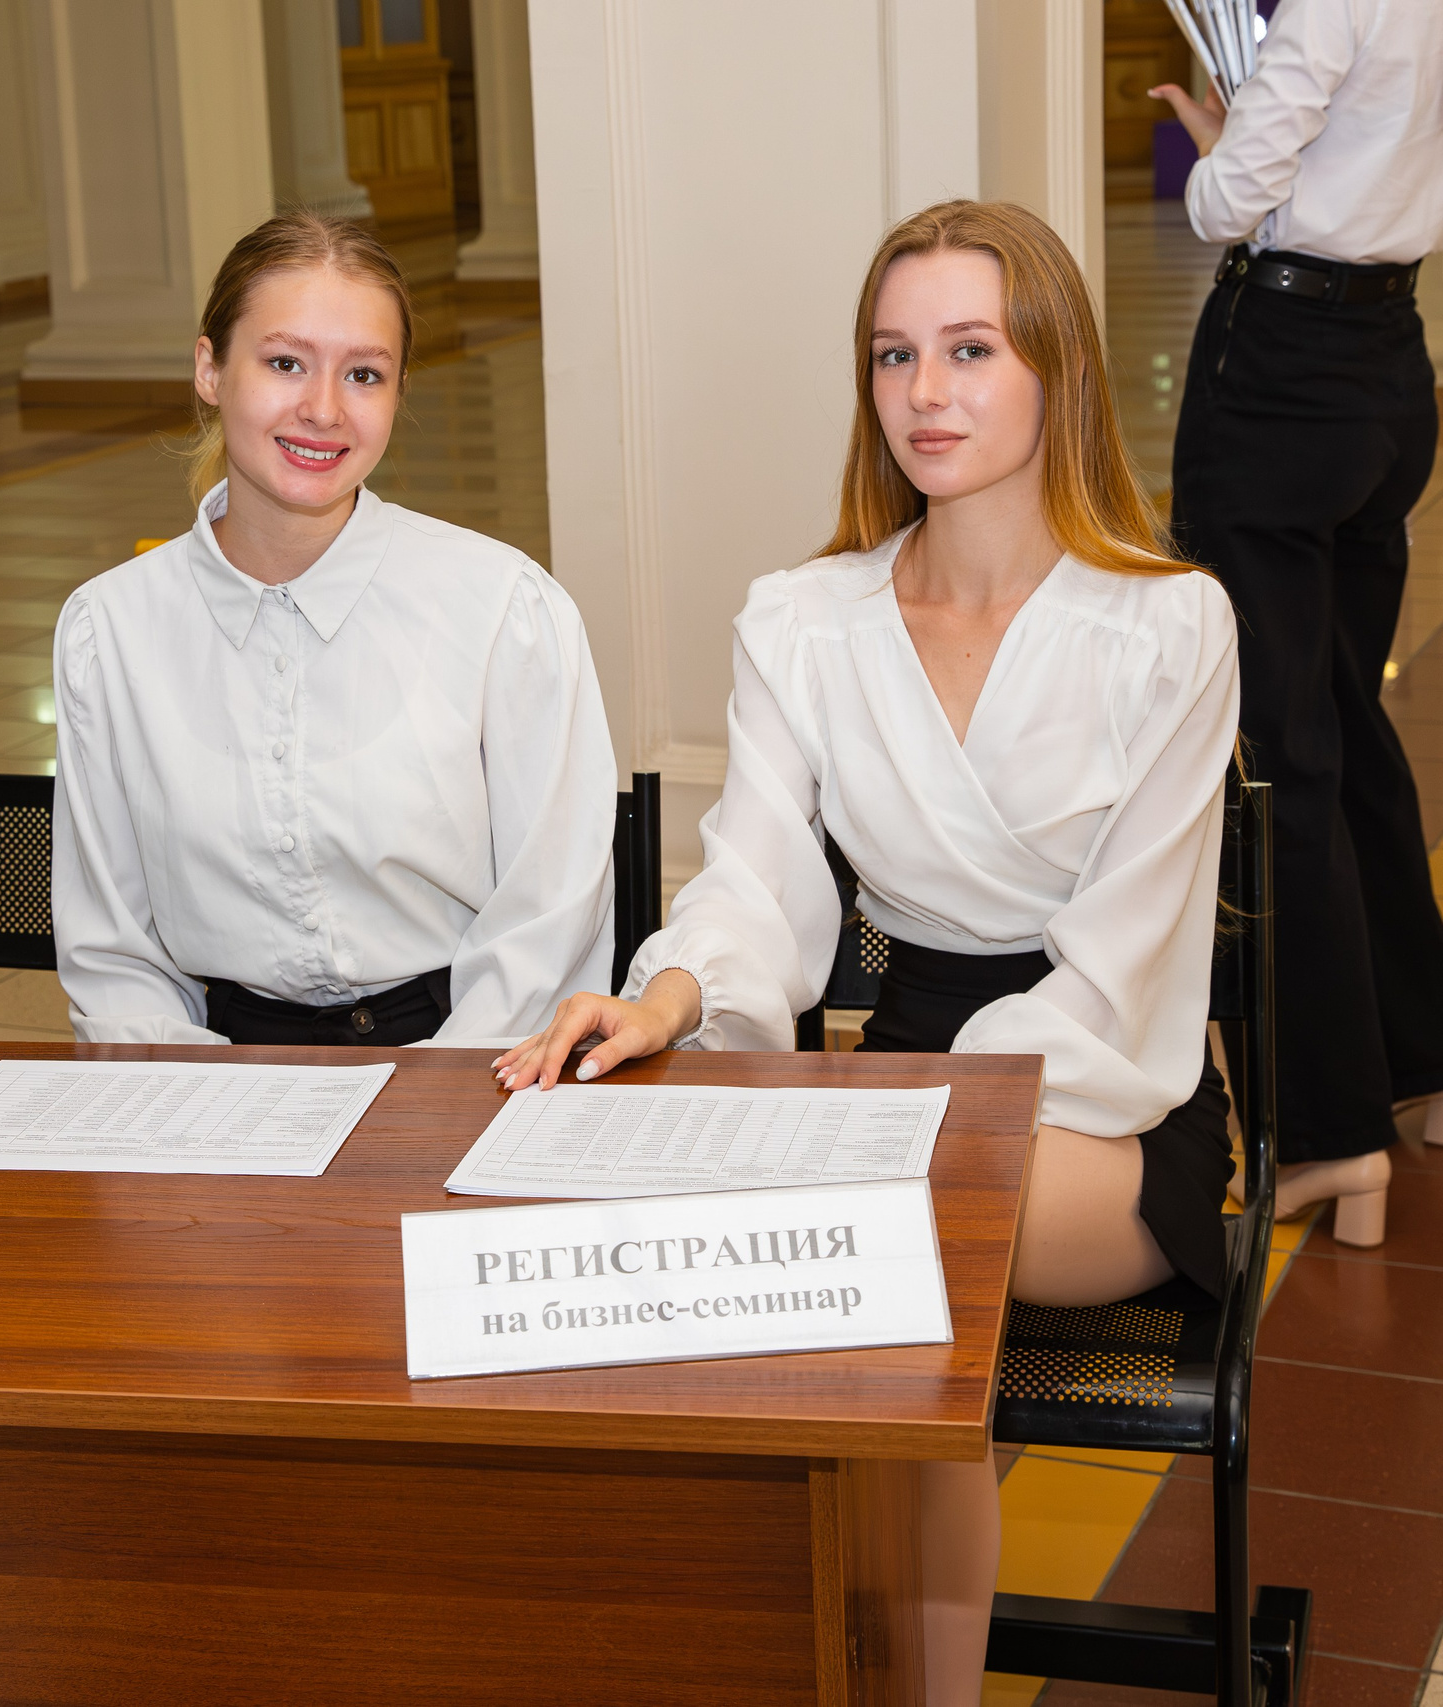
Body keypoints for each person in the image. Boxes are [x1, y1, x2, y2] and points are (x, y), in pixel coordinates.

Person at [495, 200, 1239, 1707]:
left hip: (1108, 1102)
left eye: (973, 349)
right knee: (736, 1194)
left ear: (1058, 371)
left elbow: (1122, 966)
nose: (927, 391)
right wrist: (669, 997)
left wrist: (909, 1118)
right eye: (897, 353)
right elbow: (757, 878)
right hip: (898, 1070)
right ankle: (779, 1645)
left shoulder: (1167, 624)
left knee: (890, 1246)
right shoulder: (805, 619)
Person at [1151, 0, 1443, 1239]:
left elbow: (1222, 206)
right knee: (1346, 728)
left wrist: (1220, 153)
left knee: (1277, 760)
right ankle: (1430, 1060)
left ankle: (1328, 1137)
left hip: (1274, 375)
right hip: (1386, 364)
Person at [50, 212, 617, 1047]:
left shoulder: (503, 609)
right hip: (213, 1070)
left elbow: (548, 921)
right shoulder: (112, 631)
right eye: (285, 363)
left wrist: (435, 1097)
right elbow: (114, 954)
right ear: (209, 370)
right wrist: (197, 1107)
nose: (323, 410)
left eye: (364, 374)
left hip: (464, 1052)